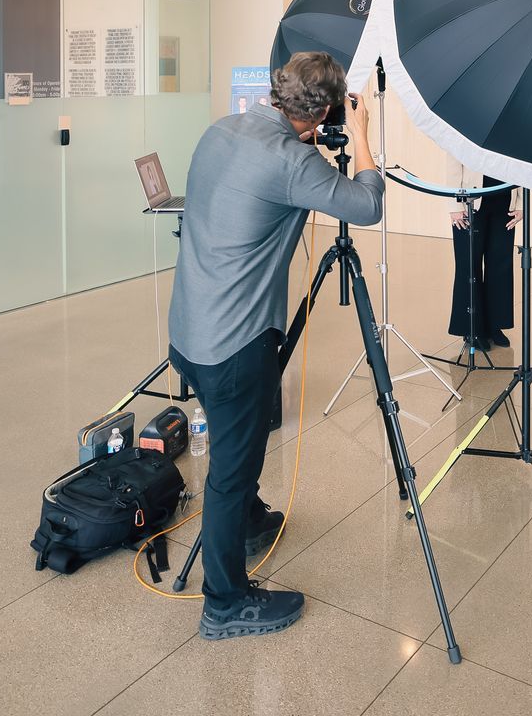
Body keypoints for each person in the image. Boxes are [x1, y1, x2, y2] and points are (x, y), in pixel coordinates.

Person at [167, 51, 383, 641]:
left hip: (188, 330)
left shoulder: (222, 129)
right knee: (228, 473)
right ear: (321, 115)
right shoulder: (294, 162)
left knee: (242, 439)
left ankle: (247, 521)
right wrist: (361, 134)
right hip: (232, 345)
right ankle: (225, 603)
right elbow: (367, 204)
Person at [445, 157, 521, 350]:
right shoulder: (463, 125)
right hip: (470, 202)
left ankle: (495, 325)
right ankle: (472, 329)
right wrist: (455, 205)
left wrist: (521, 202)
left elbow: (522, 163)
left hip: (505, 201)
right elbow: (453, 164)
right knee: (468, 265)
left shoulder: (517, 127)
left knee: (500, 265)